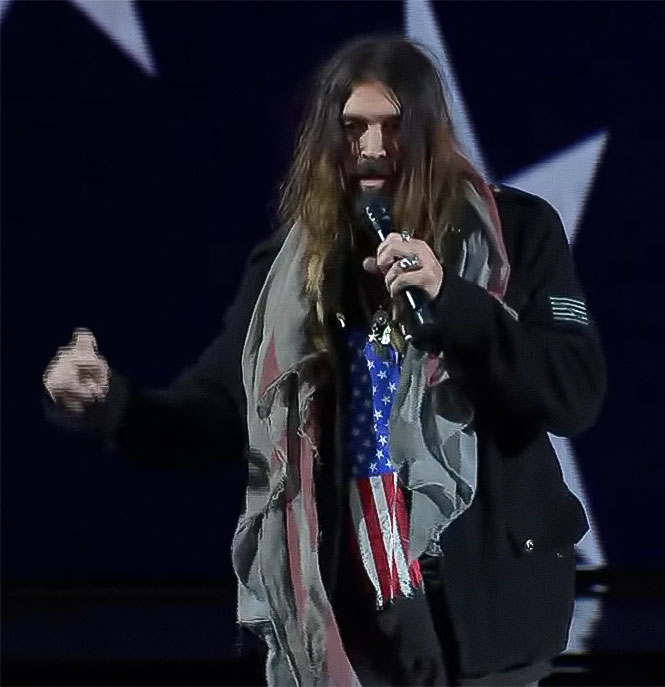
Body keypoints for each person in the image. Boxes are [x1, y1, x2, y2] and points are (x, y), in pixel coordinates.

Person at [43, 34, 606, 687]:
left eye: (393, 127)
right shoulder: (288, 269)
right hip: (342, 616)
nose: (371, 147)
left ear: (428, 132)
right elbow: (218, 417)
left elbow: (574, 391)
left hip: (484, 611)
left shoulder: (519, 234)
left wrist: (453, 302)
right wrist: (109, 401)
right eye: (352, 127)